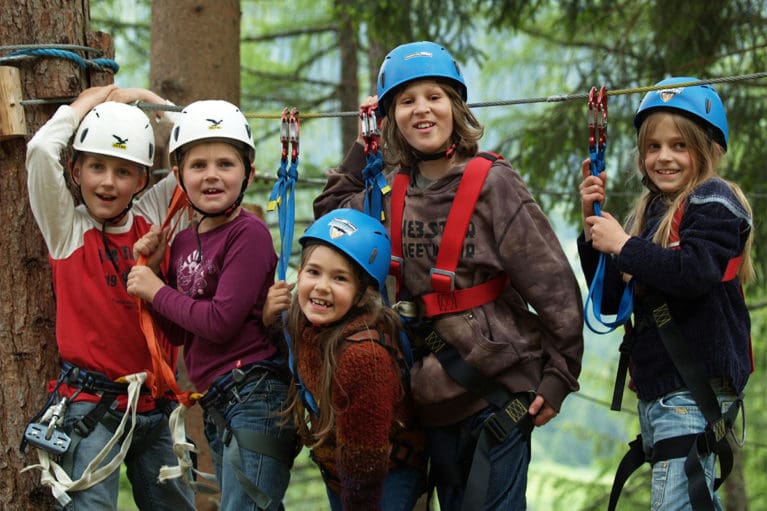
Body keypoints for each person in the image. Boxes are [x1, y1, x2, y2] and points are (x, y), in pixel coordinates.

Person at [313, 41, 584, 510]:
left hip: (497, 388)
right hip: (431, 399)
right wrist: (363, 146)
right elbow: (331, 219)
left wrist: (559, 376)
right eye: (406, 101)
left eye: (434, 96)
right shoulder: (390, 193)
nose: (422, 110)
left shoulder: (493, 184)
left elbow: (553, 284)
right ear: (390, 117)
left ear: (455, 107)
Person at [577, 77, 754, 510]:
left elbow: (693, 273)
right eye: (653, 147)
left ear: (709, 148)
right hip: (661, 391)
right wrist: (592, 231)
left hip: (693, 390)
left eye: (679, 145)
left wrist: (623, 244)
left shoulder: (714, 199)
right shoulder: (648, 212)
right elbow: (610, 303)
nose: (664, 157)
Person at [24, 85, 195, 510]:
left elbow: (196, 160)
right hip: (90, 407)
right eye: (96, 166)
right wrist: (90, 102)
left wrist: (151, 102)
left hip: (156, 406)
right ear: (75, 169)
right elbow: (42, 148)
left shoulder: (154, 216)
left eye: (123, 171)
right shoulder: (67, 229)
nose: (107, 182)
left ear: (142, 179)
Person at [126, 99, 298, 511]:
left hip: (256, 395)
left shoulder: (249, 235)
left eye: (225, 164)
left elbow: (220, 322)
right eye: (198, 165)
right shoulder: (185, 239)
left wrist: (156, 290)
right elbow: (181, 332)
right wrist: (158, 276)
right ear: (179, 177)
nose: (212, 175)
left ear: (248, 174)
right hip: (219, 401)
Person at [262, 208, 428, 511]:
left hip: (383, 473)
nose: (322, 286)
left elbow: (365, 464)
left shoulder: (364, 359)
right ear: (299, 274)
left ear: (363, 294)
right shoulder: (301, 321)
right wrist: (268, 316)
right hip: (340, 471)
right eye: (313, 272)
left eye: (339, 278)